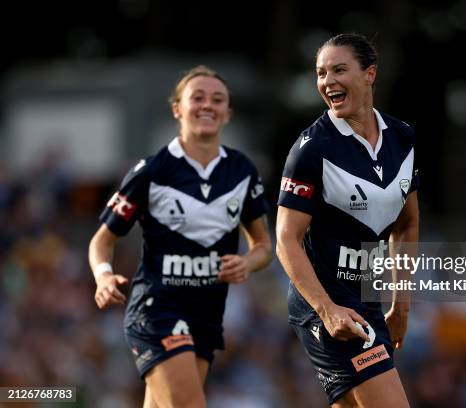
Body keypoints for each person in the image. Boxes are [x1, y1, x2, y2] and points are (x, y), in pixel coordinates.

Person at [89, 65, 272, 408]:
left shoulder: (242, 171)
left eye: (217, 99)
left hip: (205, 315)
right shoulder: (152, 170)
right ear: (177, 108)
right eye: (197, 97)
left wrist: (248, 263)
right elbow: (102, 239)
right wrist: (102, 276)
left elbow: (264, 246)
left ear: (227, 113)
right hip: (157, 309)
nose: (208, 105)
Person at [276, 33, 419, 407]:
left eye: (340, 70)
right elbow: (286, 240)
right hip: (324, 304)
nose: (328, 81)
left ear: (370, 74)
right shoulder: (312, 149)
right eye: (321, 73)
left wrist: (400, 305)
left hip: (367, 301)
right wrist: (327, 310)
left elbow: (408, 225)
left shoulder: (402, 138)